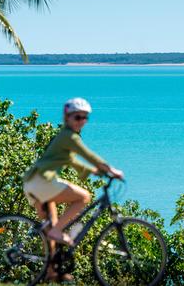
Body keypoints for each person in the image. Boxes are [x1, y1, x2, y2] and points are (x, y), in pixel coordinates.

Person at [22, 97, 123, 281]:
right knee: (84, 197)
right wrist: (110, 169)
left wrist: (94, 171)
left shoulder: (64, 138)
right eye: (77, 117)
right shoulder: (69, 137)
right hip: (42, 182)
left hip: (35, 183)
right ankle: (57, 232)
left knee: (51, 228)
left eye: (85, 118)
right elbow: (87, 154)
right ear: (67, 117)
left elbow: (74, 161)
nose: (81, 121)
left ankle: (51, 272)